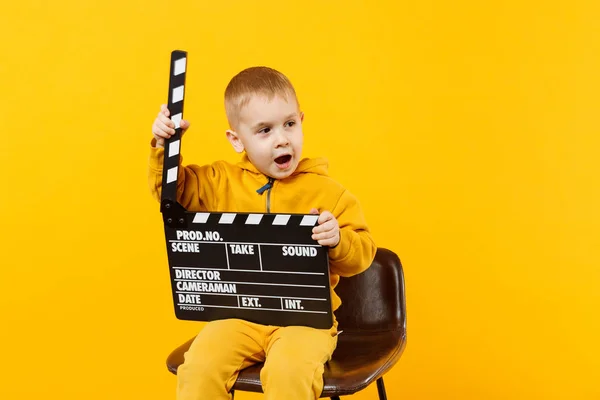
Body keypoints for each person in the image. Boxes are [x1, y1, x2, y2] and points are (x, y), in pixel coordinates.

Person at [148, 66, 376, 400]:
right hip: (240, 314)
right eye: (264, 130)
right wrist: (163, 147)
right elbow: (171, 194)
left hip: (306, 317)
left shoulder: (329, 193)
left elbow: (364, 251)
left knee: (288, 372)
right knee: (198, 367)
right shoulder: (219, 182)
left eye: (289, 124)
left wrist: (338, 240)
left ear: (301, 120)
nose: (282, 138)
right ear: (237, 139)